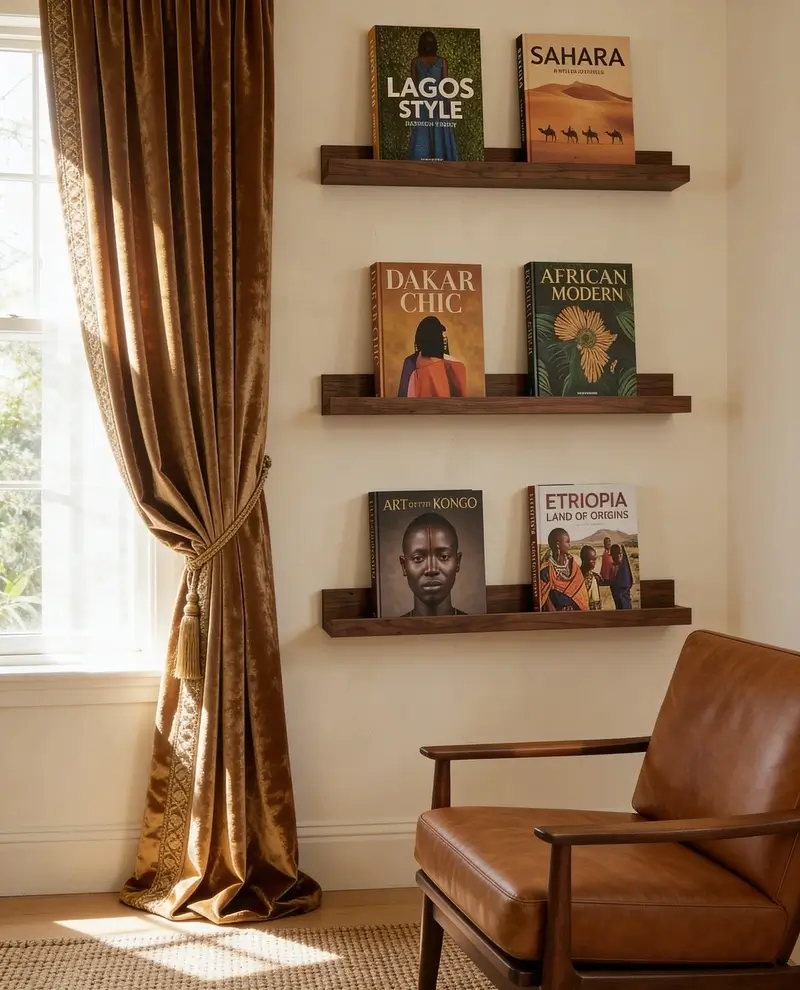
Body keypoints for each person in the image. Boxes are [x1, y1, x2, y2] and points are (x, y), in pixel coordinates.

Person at [399, 512, 467, 616]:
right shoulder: (389, 630)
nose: (431, 569)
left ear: (458, 562)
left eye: (443, 557)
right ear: (404, 566)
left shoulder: (477, 628)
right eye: (418, 558)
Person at [406, 31, 459, 162]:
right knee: (440, 134)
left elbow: (413, 88)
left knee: (421, 135)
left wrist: (413, 109)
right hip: (439, 103)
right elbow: (445, 87)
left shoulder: (415, 62)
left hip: (422, 103)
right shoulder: (442, 62)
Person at [397, 315, 467, 398]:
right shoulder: (411, 362)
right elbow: (403, 395)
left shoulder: (454, 365)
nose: (444, 341)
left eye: (445, 338)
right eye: (442, 337)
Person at [539, 527, 589, 611]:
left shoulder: (574, 567)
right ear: (558, 544)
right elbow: (544, 600)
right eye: (567, 542)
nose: (570, 545)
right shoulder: (546, 571)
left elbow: (582, 596)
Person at [609, 543, 633, 609]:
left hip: (624, 602)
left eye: (620, 554)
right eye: (615, 554)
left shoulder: (624, 569)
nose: (618, 556)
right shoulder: (613, 567)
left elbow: (625, 585)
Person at [579, 545, 603, 610]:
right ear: (584, 560)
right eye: (592, 560)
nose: (594, 562)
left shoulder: (593, 577)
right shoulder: (577, 576)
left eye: (595, 559)